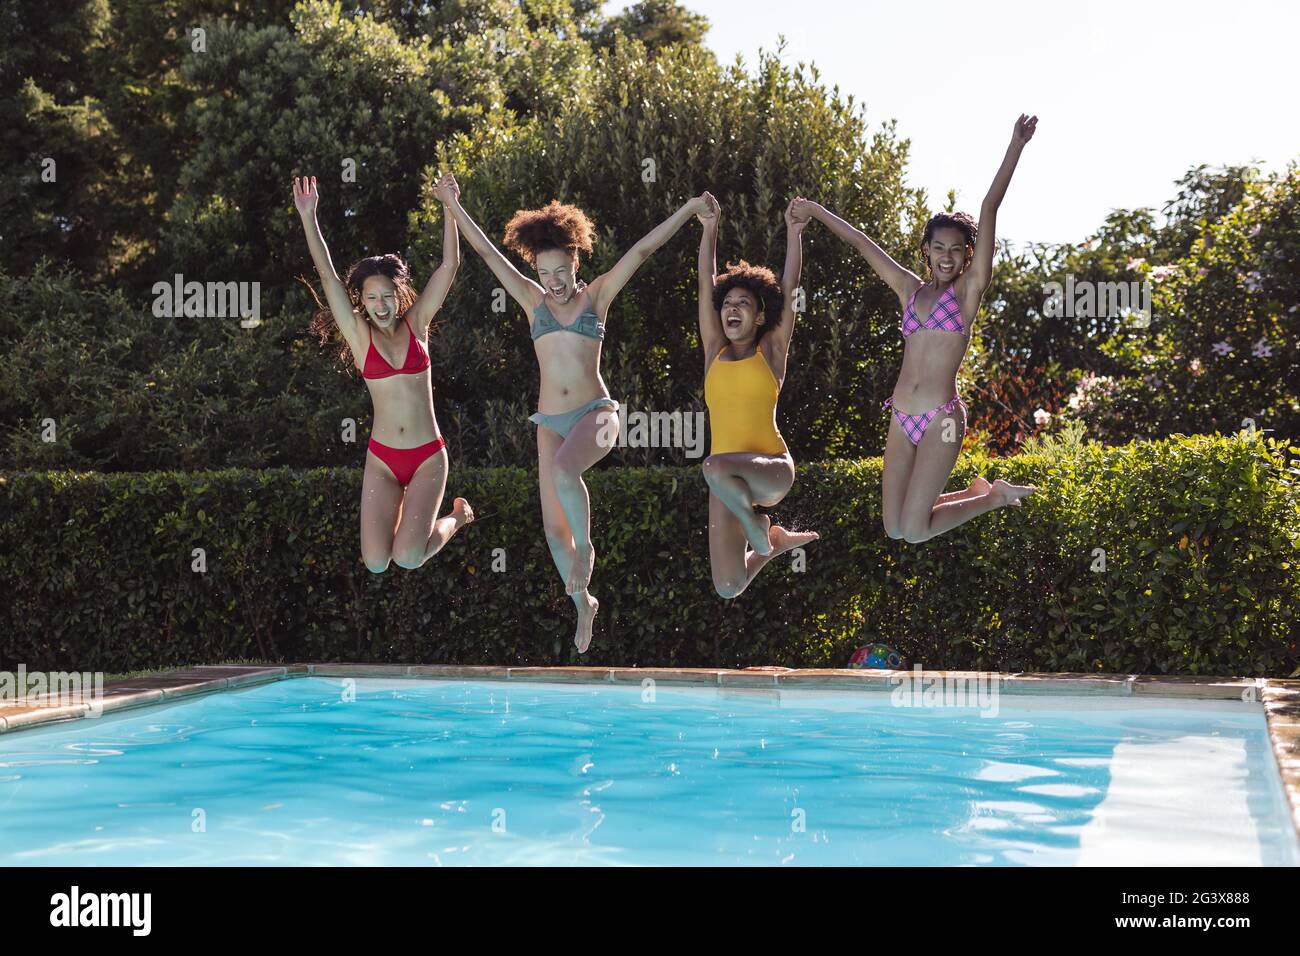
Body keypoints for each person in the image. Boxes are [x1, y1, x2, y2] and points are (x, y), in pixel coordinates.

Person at [296, 173, 473, 572]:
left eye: (387, 296)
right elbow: (326, 274)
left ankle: (458, 517)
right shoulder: (360, 338)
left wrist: (449, 206)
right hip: (383, 458)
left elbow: (450, 264)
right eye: (371, 298)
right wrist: (309, 217)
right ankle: (409, 521)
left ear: (399, 295)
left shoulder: (418, 325)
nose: (380, 305)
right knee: (377, 562)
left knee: (409, 557)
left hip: (428, 456)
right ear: (361, 300)